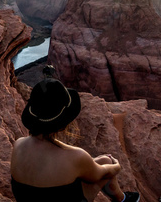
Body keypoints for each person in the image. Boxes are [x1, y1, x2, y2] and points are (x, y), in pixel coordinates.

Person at [10, 75, 141, 202]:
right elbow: (101, 173)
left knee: (98, 162)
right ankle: (122, 200)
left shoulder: (18, 144)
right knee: (107, 161)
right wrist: (116, 166)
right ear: (62, 125)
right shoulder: (76, 157)